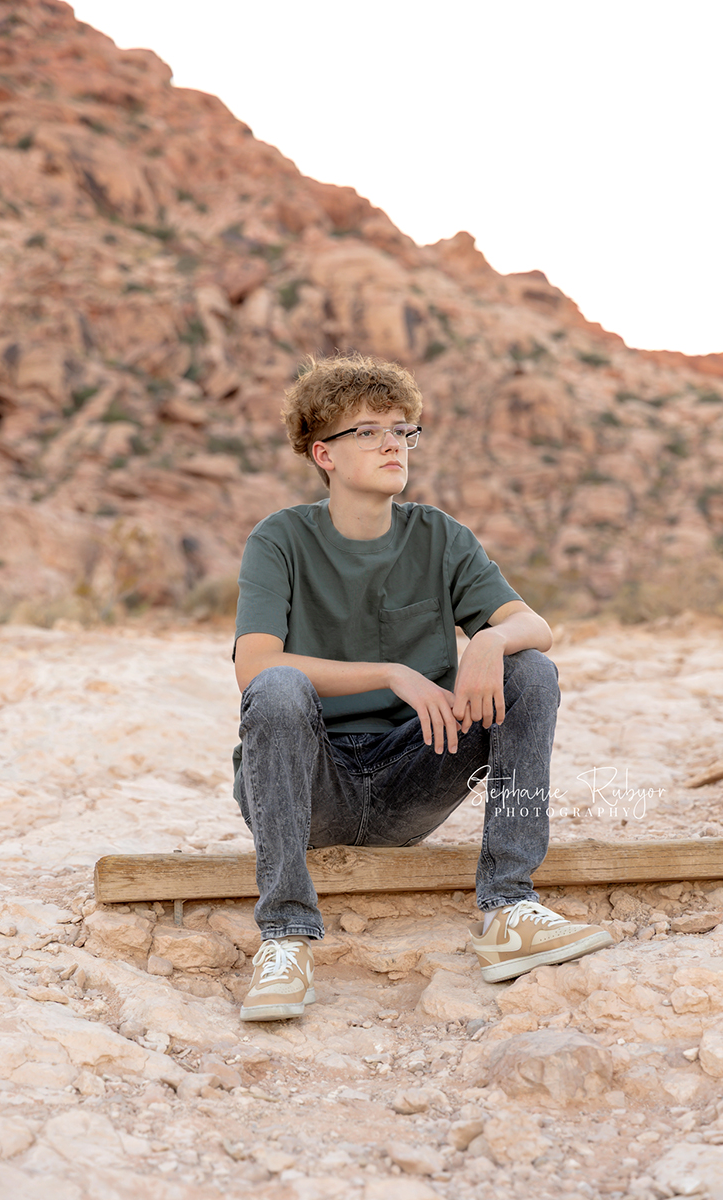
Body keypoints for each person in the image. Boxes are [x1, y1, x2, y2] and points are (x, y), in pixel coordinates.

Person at [232, 353, 612, 1021]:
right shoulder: (281, 538)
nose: (392, 444)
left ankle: (509, 908)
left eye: (403, 430)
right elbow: (253, 666)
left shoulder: (439, 536)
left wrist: (491, 639)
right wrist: (393, 673)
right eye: (369, 431)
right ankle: (286, 939)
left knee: (531, 671)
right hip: (309, 786)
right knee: (282, 686)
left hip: (413, 777)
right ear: (324, 453)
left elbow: (536, 626)